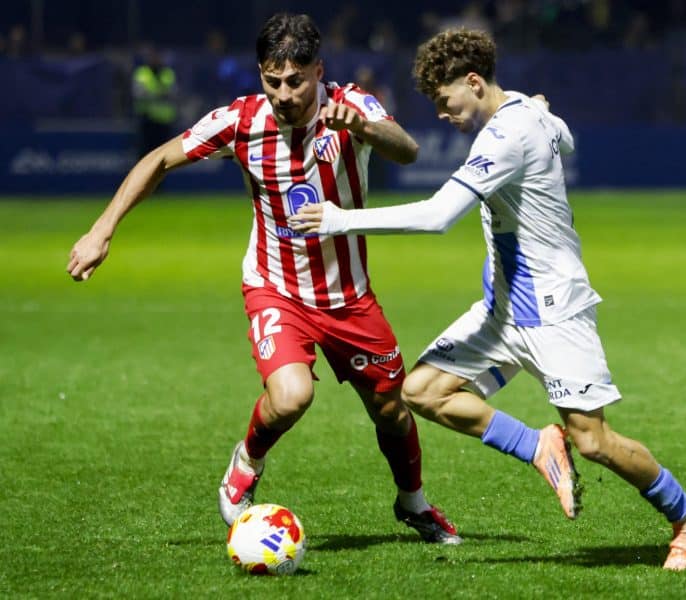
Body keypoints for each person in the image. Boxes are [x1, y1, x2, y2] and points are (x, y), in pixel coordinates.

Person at [289, 28, 686, 570]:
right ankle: (538, 446)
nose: (442, 113)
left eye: (445, 101)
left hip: (555, 310)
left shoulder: (507, 134)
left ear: (473, 81)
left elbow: (439, 216)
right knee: (422, 391)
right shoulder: (524, 114)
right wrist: (539, 111)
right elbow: (567, 139)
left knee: (593, 441)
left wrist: (338, 219)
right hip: (504, 308)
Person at [66, 13, 460, 545]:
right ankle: (247, 462)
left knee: (392, 411)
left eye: (296, 81)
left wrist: (362, 127)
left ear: (318, 71)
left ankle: (413, 504)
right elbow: (160, 158)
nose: (283, 93)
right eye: (272, 81)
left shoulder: (352, 104)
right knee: (291, 395)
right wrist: (101, 230)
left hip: (348, 296)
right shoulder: (242, 120)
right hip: (275, 287)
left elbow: (407, 149)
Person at [132, 45, 179, 156]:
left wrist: (156, 94)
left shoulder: (168, 73)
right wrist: (161, 93)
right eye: (152, 56)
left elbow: (174, 93)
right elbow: (138, 94)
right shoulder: (142, 73)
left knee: (163, 156)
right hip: (147, 120)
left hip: (165, 121)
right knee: (146, 154)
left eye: (158, 56)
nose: (155, 59)